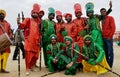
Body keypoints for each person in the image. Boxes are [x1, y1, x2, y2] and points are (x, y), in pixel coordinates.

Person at [17, 3, 41, 75]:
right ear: (31, 13)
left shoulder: (38, 22)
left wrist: (39, 40)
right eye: (34, 13)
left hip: (36, 41)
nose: (35, 14)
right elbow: (22, 26)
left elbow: (39, 32)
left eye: (36, 13)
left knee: (36, 55)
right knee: (28, 55)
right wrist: (18, 22)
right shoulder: (28, 20)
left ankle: (32, 67)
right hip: (29, 41)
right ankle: (27, 69)